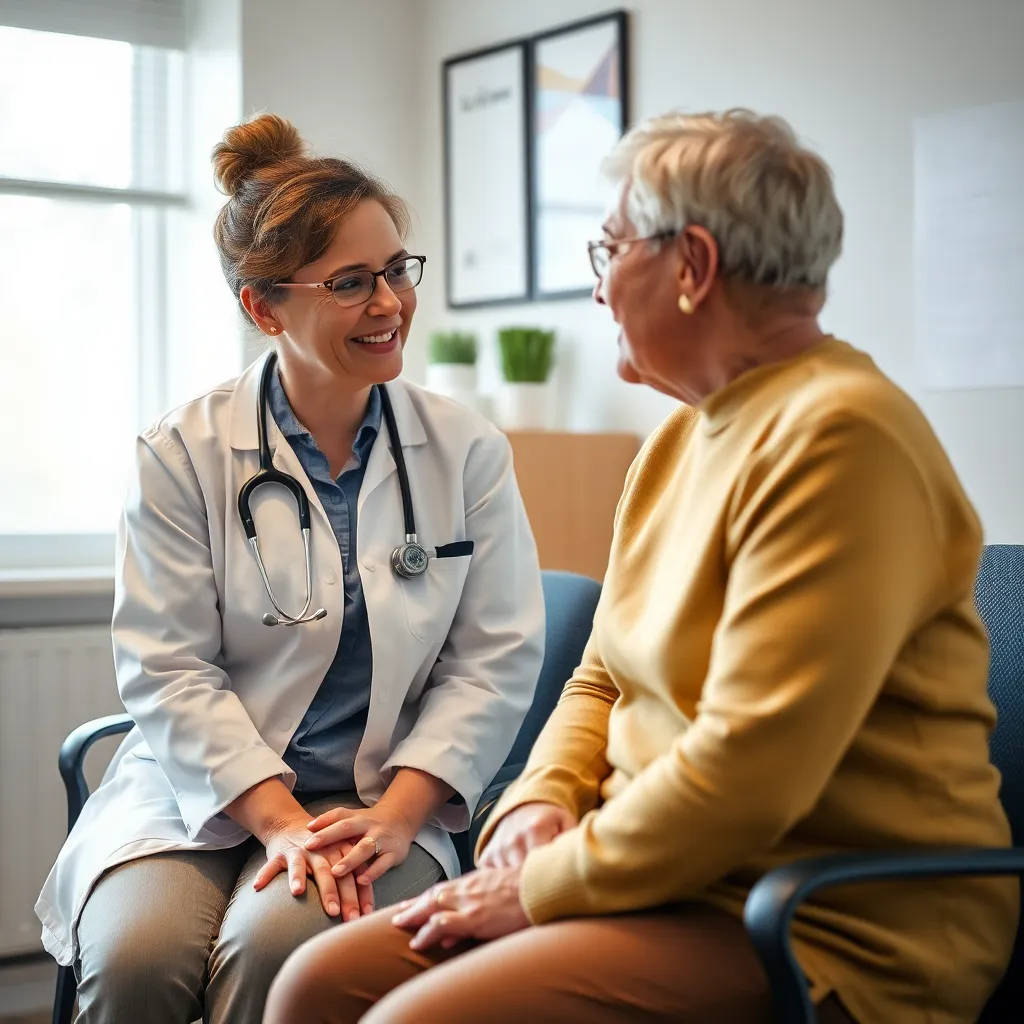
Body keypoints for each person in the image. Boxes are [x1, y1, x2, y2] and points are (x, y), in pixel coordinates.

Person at [263, 109, 1018, 1024]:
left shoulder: (841, 440)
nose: (598, 292)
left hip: (822, 916)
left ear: (692, 267)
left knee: (409, 1020)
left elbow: (749, 770)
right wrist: (539, 804)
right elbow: (601, 679)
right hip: (657, 876)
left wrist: (542, 887)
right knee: (315, 984)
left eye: (610, 250)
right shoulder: (678, 441)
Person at [34, 113, 544, 1024]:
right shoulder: (183, 452)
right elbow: (167, 666)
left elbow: (493, 661)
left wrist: (399, 814)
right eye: (351, 283)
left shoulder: (464, 450)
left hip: (379, 800)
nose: (389, 303)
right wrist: (276, 819)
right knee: (136, 958)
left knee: (274, 951)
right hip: (201, 792)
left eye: (397, 270)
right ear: (264, 308)